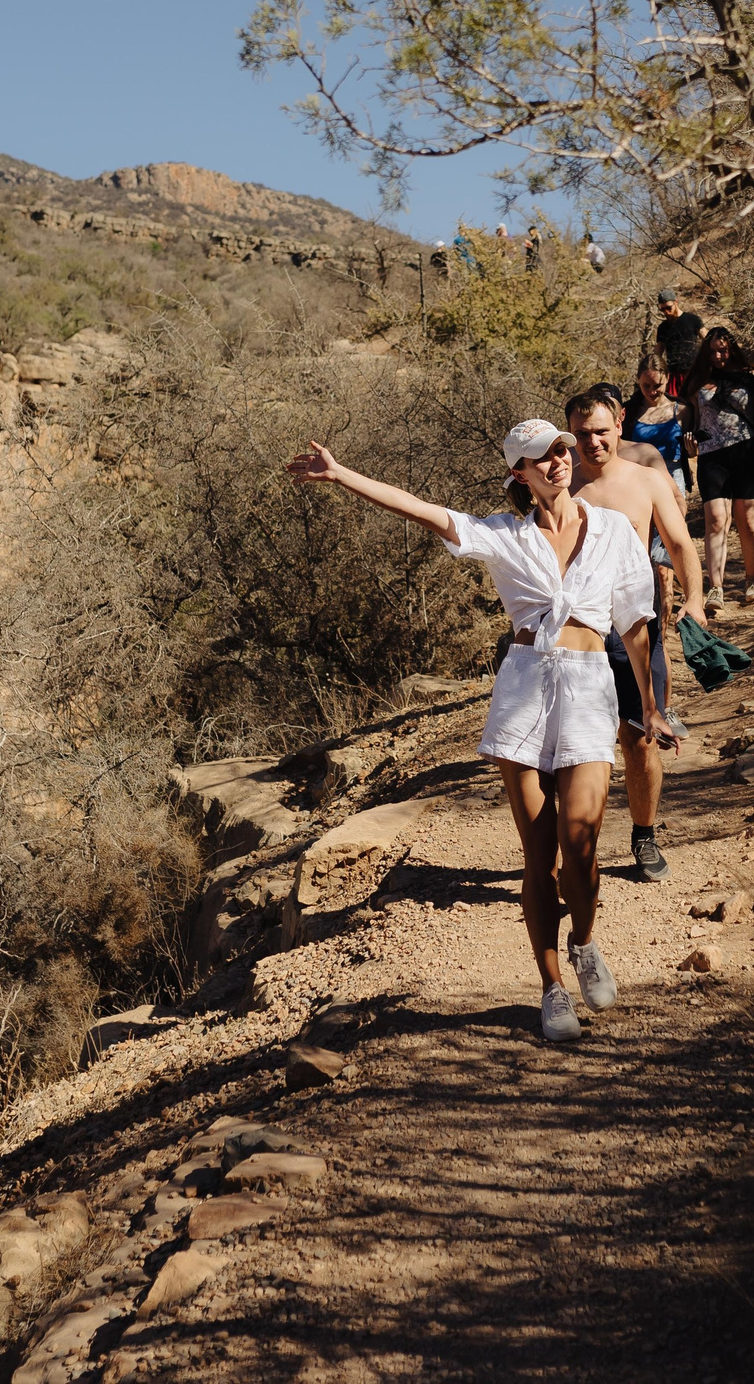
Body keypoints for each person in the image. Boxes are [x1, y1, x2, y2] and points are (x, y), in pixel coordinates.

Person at [283, 419, 672, 1043]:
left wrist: (651, 706)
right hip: (523, 691)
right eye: (540, 457)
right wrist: (340, 474)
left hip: (589, 687)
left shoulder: (614, 533)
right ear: (519, 472)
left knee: (581, 843)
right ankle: (550, 988)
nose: (557, 461)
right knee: (539, 854)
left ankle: (585, 942)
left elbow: (634, 625)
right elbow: (421, 510)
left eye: (561, 450)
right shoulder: (502, 535)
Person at [565, 384, 706, 883]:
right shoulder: (559, 481)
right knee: (578, 745)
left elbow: (680, 542)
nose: (592, 442)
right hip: (575, 632)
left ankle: (644, 834)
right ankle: (580, 847)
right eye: (582, 433)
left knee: (641, 740)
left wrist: (695, 599)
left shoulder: (647, 480)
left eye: (601, 431)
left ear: (620, 424)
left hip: (635, 628)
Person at [680, 326, 754, 605]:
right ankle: (715, 588)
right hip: (711, 455)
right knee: (715, 520)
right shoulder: (697, 381)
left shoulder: (749, 376)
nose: (718, 355)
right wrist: (687, 443)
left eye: (722, 349)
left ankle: (752, 581)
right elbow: (689, 418)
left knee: (747, 520)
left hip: (746, 452)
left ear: (732, 348)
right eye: (712, 351)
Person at [621, 354, 691, 500]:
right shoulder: (627, 413)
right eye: (646, 386)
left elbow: (690, 453)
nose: (652, 392)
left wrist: (692, 451)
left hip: (673, 480)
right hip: (638, 480)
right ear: (638, 380)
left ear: (667, 378)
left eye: (657, 385)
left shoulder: (682, 410)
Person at [654, 290, 704, 392]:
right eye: (663, 309)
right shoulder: (663, 328)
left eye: (668, 308)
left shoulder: (692, 320)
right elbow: (658, 352)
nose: (666, 312)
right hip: (674, 374)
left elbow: (707, 338)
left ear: (676, 302)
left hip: (694, 372)